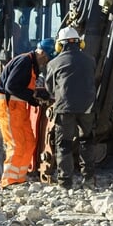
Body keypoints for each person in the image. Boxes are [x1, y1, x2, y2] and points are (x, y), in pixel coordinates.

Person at [44, 26, 97, 187]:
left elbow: (50, 89)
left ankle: (65, 182)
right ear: (80, 43)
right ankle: (88, 179)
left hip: (65, 108)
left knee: (64, 144)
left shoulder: (54, 63)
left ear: (60, 45)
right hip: (87, 107)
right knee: (87, 142)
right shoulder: (90, 60)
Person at [0, 39, 52, 185]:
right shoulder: (25, 62)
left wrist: (34, 97)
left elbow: (20, 88)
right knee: (16, 143)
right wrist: (32, 96)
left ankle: (19, 178)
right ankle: (8, 181)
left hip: (19, 106)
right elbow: (11, 86)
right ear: (43, 53)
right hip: (8, 105)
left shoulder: (32, 65)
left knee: (29, 142)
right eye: (47, 58)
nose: (46, 62)